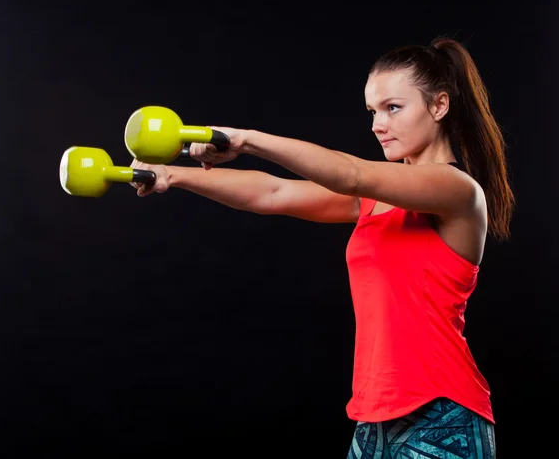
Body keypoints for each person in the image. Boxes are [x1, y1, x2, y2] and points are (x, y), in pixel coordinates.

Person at [130, 37, 514, 458]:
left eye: (393, 108)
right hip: (374, 420)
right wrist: (173, 175)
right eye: (372, 111)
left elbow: (349, 173)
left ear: (439, 106)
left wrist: (247, 139)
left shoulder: (457, 190)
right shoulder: (374, 201)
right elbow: (272, 192)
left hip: (443, 416)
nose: (377, 125)